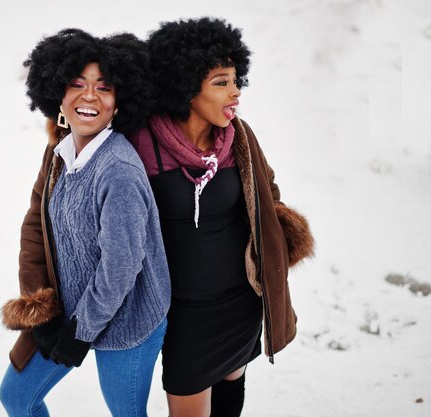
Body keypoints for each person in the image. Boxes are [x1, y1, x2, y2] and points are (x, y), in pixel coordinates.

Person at [128, 18, 315, 417]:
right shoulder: (141, 143)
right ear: (184, 85)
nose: (235, 92)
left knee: (231, 396)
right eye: (220, 82)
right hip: (182, 314)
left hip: (238, 303)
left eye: (235, 80)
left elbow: (267, 194)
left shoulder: (238, 137)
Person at [0, 28, 171, 417]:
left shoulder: (119, 171)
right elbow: (34, 226)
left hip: (128, 321)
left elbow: (120, 268)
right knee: (17, 397)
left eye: (103, 87)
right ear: (57, 93)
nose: (89, 96)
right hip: (68, 312)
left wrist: (80, 331)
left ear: (118, 102)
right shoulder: (59, 154)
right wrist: (41, 304)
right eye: (77, 83)